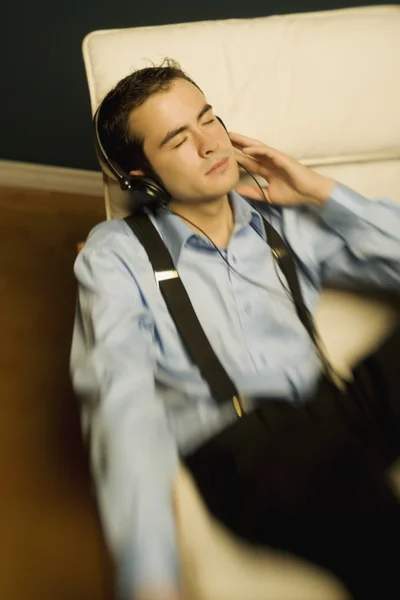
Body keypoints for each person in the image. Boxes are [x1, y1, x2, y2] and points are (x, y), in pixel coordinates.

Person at [70, 58, 400, 600]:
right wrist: (151, 576)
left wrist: (319, 190)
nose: (210, 145)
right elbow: (119, 403)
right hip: (250, 450)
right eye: (178, 139)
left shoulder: (279, 217)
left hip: (340, 409)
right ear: (141, 177)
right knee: (378, 532)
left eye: (209, 119)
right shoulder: (117, 256)